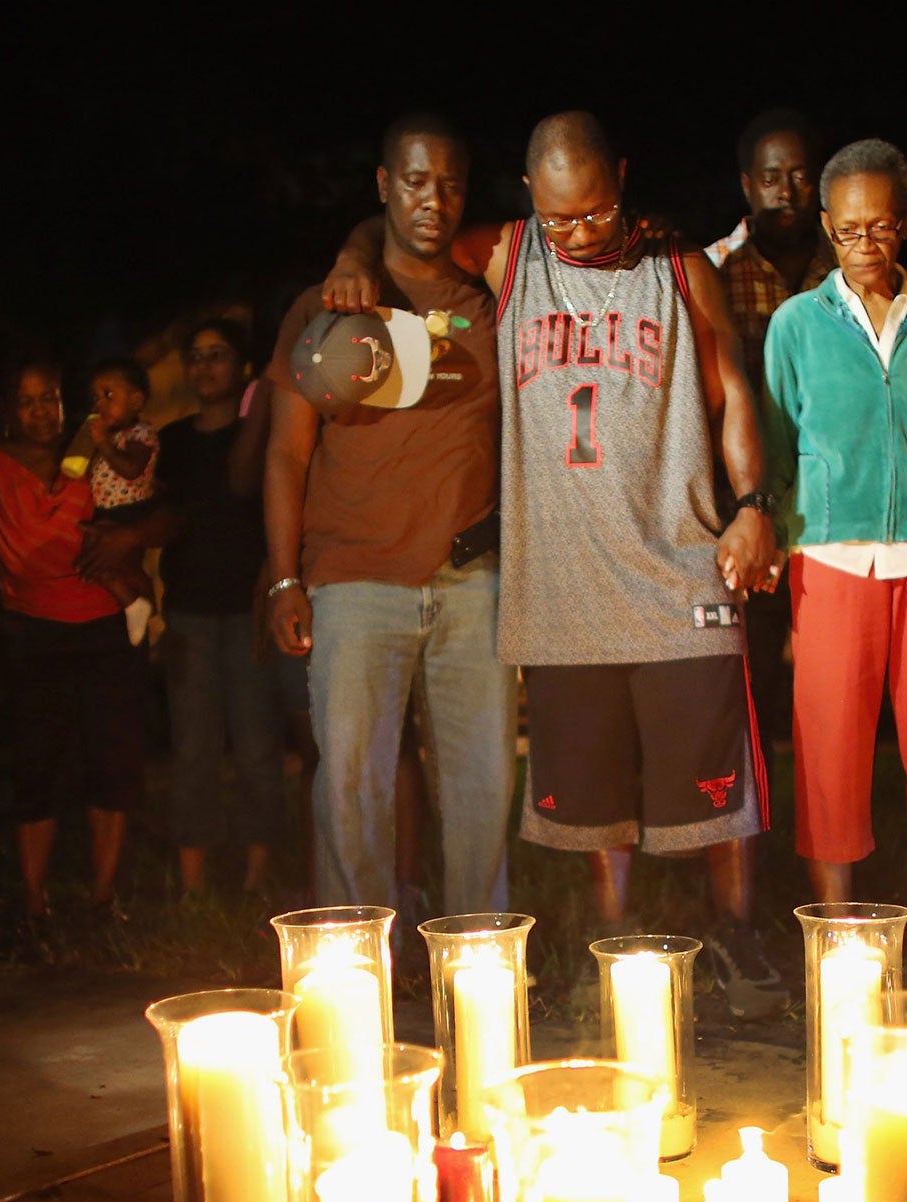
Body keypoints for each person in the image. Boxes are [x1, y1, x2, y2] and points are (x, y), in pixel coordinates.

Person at [322, 110, 788, 1015]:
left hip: (676, 566)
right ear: (533, 198)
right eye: (565, 218)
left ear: (622, 179)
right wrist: (351, 256)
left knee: (716, 788)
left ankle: (733, 936)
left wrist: (753, 508)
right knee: (595, 803)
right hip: (562, 583)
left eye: (600, 214)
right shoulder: (507, 257)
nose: (582, 234)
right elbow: (398, 235)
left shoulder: (677, 266)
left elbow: (731, 382)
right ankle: (608, 946)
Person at [265, 114, 516, 923]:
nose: (432, 201)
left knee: (482, 790)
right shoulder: (330, 305)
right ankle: (354, 971)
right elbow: (287, 457)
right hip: (353, 582)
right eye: (414, 181)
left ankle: (479, 964)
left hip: (470, 581)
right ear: (383, 185)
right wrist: (283, 577)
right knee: (349, 787)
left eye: (449, 184)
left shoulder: (489, 304)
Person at [760, 139, 907, 989]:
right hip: (830, 560)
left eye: (882, 226)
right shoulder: (795, 325)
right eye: (849, 228)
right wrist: (779, 541)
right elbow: (779, 445)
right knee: (830, 751)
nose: (866, 243)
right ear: (827, 227)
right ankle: (840, 938)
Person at [0, 360, 172, 943]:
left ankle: (102, 900)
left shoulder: (93, 451)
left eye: (51, 399)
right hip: (31, 631)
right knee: (36, 767)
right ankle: (34, 905)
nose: (42, 412)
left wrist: (130, 541)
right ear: (6, 409)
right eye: (27, 401)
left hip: (104, 628)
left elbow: (154, 511)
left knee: (111, 763)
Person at [707, 109, 833, 796]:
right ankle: (756, 840)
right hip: (748, 511)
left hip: (829, 509)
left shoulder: (845, 269)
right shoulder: (713, 271)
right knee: (750, 687)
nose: (786, 191)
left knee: (827, 689)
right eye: (770, 177)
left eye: (799, 176)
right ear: (746, 184)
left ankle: (825, 840)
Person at [158, 319, 283, 899]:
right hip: (188, 612)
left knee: (257, 747)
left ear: (243, 368)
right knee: (193, 749)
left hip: (246, 612)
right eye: (197, 355)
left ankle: (259, 873)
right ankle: (192, 883)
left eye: (218, 355)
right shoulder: (173, 442)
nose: (206, 366)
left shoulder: (259, 436)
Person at [78, 357, 160, 637]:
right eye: (95, 397)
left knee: (118, 562)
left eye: (108, 395)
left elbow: (131, 469)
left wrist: (102, 444)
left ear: (136, 401)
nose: (98, 404)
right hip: (106, 511)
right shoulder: (106, 437)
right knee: (92, 561)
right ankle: (135, 603)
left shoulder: (141, 434)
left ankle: (144, 602)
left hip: (131, 511)